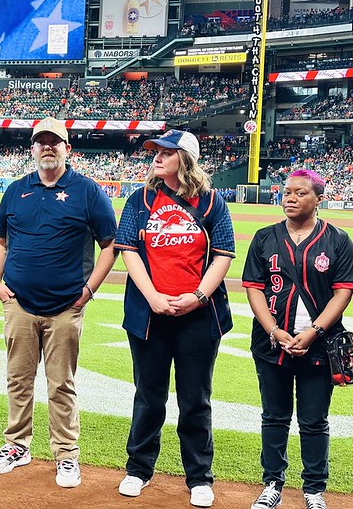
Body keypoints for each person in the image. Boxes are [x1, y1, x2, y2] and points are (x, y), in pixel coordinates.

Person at [0, 117, 117, 488]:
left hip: (66, 306)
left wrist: (89, 290)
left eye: (54, 142)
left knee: (61, 383)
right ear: (32, 149)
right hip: (19, 303)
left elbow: (110, 247)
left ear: (67, 148)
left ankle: (66, 455)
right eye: (40, 142)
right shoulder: (16, 190)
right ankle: (17, 446)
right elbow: (0, 241)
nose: (47, 147)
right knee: (18, 379)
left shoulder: (88, 191)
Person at [114, 130, 235, 508]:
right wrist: (152, 297)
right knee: (149, 396)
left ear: (186, 158)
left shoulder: (213, 202)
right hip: (149, 314)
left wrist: (198, 296)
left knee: (195, 398)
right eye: (156, 151)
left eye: (167, 152)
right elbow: (128, 250)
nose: (157, 156)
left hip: (198, 317)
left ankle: (199, 477)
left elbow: (223, 254)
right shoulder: (141, 198)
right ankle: (138, 469)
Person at [243, 170, 353, 509]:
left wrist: (314, 332)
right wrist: (274, 330)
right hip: (272, 345)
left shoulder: (337, 240)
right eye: (286, 192)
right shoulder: (264, 237)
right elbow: (254, 288)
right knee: (274, 417)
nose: (289, 198)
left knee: (314, 420)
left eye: (299, 193)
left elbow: (343, 292)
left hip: (320, 345)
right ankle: (273, 483)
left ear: (319, 199)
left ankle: (314, 490)